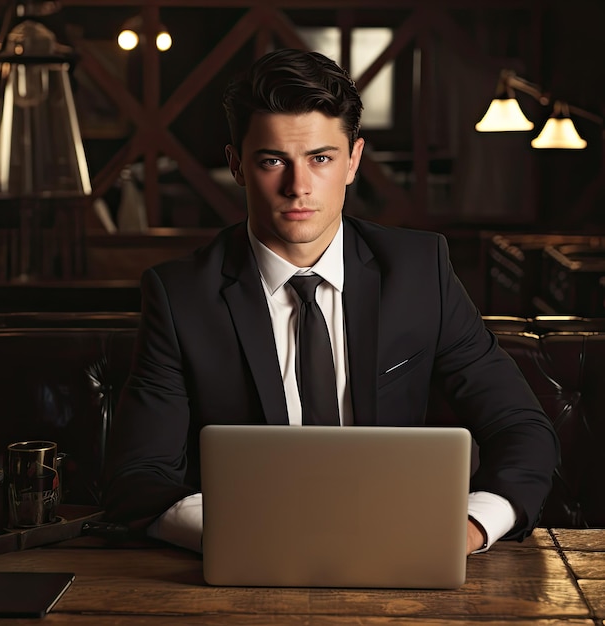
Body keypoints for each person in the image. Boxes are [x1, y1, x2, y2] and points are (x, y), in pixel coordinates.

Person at [103, 48, 558, 555]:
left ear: (353, 161)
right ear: (235, 165)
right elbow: (139, 477)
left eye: (320, 158)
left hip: (400, 549)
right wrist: (249, 534)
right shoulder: (181, 295)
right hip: (252, 557)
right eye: (273, 160)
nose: (298, 187)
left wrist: (469, 528)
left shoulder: (418, 271)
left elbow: (521, 427)